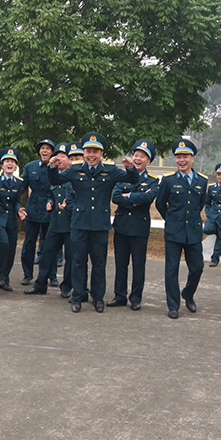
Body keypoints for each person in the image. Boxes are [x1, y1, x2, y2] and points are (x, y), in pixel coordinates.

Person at [48, 133, 137, 313]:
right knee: (78, 262)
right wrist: (51, 167)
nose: (91, 155)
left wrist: (130, 168)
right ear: (84, 152)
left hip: (100, 225)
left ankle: (98, 298)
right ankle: (78, 297)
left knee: (99, 263)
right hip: (79, 224)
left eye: (95, 151)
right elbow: (56, 179)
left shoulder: (111, 171)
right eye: (88, 151)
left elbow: (132, 180)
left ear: (101, 153)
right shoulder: (75, 169)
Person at [155, 139, 208, 319]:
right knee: (171, 270)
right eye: (178, 157)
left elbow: (200, 204)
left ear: (192, 158)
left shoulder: (202, 180)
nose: (181, 160)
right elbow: (161, 204)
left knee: (198, 268)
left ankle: (188, 294)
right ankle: (173, 305)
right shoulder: (169, 180)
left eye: (185, 156)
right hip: (174, 231)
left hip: (193, 231)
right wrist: (171, 219)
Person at [108, 139, 160, 310]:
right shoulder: (123, 176)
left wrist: (128, 196)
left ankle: (136, 298)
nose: (138, 159)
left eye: (142, 156)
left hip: (139, 228)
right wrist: (135, 198)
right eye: (136, 155)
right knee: (120, 264)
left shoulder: (153, 181)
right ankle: (119, 296)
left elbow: (148, 198)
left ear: (148, 161)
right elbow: (115, 197)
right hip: (122, 226)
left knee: (139, 266)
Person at [26, 143, 72, 297]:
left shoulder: (74, 177)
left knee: (70, 258)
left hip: (70, 224)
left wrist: (69, 205)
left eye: (62, 156)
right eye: (57, 156)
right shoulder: (55, 176)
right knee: (46, 255)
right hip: (55, 223)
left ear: (69, 160)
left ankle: (66, 287)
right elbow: (52, 194)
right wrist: (50, 203)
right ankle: (40, 284)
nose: (59, 159)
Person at [20, 139, 55, 285]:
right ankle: (27, 274)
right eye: (42, 148)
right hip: (33, 209)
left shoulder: (55, 167)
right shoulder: (30, 166)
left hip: (49, 210)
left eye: (47, 148)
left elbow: (59, 187)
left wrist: (52, 201)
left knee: (50, 244)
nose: (44, 151)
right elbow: (22, 185)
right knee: (29, 243)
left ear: (52, 152)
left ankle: (51, 275)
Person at [0, 147, 25, 291]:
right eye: (7, 161)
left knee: (11, 250)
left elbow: (16, 200)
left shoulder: (18, 182)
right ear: (2, 165)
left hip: (11, 220)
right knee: (4, 244)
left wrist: (19, 209)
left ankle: (5, 279)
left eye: (12, 161)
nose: (10, 164)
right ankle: (0, 276)